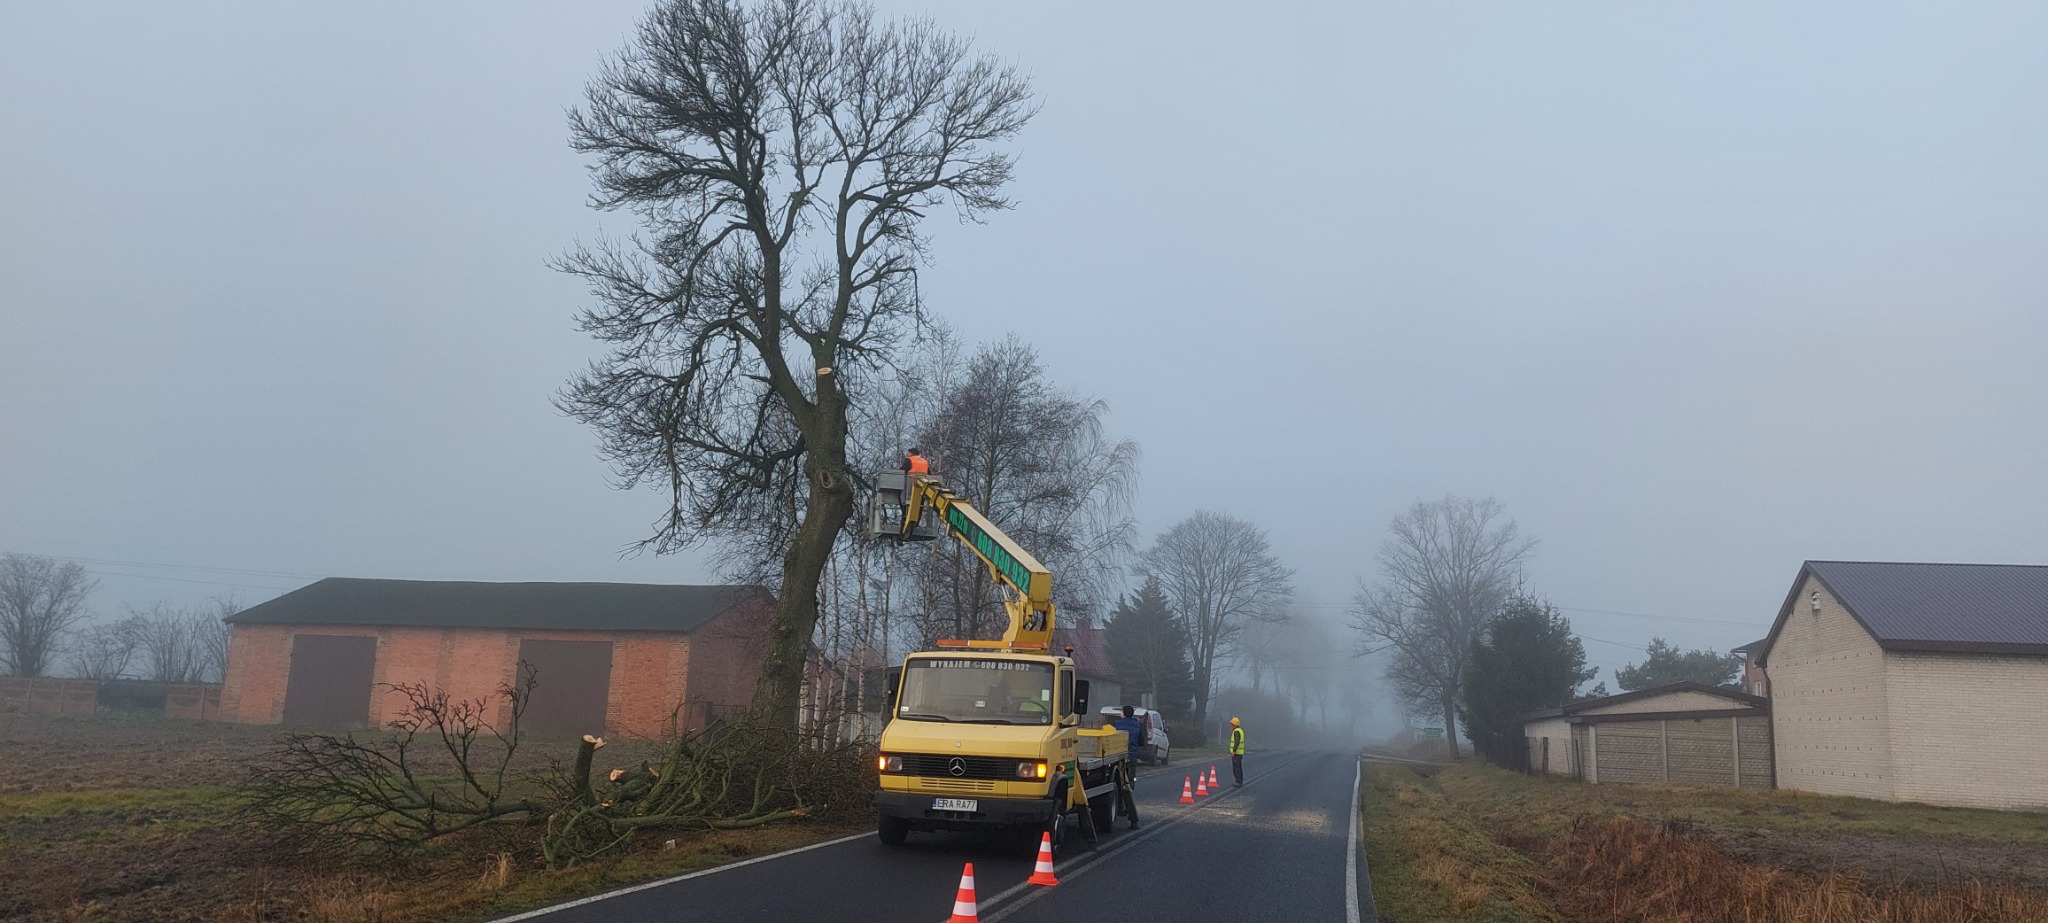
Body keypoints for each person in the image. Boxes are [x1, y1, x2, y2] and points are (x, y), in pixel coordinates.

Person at [1110, 705, 1145, 770]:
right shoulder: (1137, 726)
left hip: (1118, 755)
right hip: (1132, 755)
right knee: (1131, 775)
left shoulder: (1116, 724)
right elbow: (1141, 741)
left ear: (1124, 713)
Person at [1228, 716, 1246, 787]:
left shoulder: (1236, 732)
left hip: (1237, 753)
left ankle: (1238, 782)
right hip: (1239, 753)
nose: (1231, 725)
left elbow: (1236, 742)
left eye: (1232, 724)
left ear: (1235, 724)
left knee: (1236, 768)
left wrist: (1234, 751)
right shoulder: (1240, 731)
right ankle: (1239, 781)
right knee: (1238, 767)